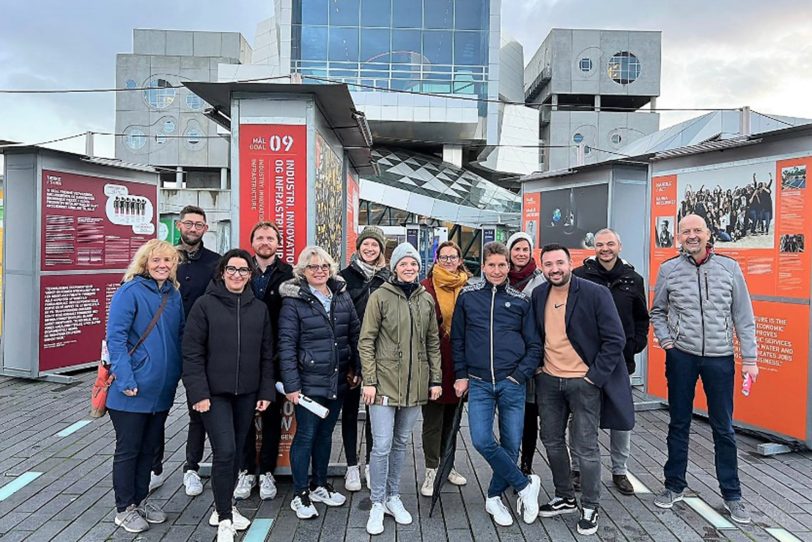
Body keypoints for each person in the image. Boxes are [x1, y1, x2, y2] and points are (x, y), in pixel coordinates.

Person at [650, 214, 759, 524]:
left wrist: (750, 359)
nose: (692, 235)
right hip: (681, 356)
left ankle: (732, 494)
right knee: (678, 422)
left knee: (723, 427)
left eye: (697, 230)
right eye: (686, 231)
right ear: (680, 236)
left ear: (709, 234)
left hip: (720, 358)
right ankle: (674, 486)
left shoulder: (729, 268)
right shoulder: (669, 269)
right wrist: (668, 341)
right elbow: (657, 311)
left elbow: (744, 317)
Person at [532, 243, 633, 536]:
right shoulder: (540, 294)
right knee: (551, 440)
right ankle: (565, 496)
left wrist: (593, 377)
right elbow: (536, 334)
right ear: (543, 267)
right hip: (549, 381)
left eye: (559, 263)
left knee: (585, 446)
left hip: (583, 382)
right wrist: (539, 367)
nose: (554, 269)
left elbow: (615, 339)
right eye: (548, 264)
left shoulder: (594, 293)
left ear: (570, 262)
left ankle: (590, 505)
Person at [182, 249, 275, 542]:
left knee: (235, 452)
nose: (237, 275)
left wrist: (265, 390)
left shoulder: (258, 309)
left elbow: (266, 355)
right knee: (224, 451)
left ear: (250, 275)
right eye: (232, 269)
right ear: (222, 272)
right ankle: (224, 518)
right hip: (213, 394)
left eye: (243, 270)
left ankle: (226, 506)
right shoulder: (204, 305)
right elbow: (192, 353)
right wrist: (198, 393)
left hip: (247, 394)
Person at [452, 241, 542, 528]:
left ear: (508, 266)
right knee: (480, 439)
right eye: (491, 265)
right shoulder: (467, 296)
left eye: (502, 265)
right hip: (478, 383)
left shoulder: (520, 300)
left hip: (512, 382)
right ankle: (525, 485)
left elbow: (534, 345)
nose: (497, 270)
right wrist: (461, 374)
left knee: (511, 444)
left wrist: (519, 375)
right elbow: (458, 339)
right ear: (483, 266)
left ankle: (493, 497)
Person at [359, 243, 442, 535]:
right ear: (394, 267)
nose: (409, 268)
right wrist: (369, 380)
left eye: (414, 264)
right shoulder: (380, 297)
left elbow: (432, 342)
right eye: (404, 263)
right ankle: (377, 501)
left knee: (401, 443)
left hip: (415, 384)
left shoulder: (426, 300)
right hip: (383, 383)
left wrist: (435, 379)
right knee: (381, 445)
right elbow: (366, 341)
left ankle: (393, 495)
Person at [106, 240, 184, 534]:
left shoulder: (174, 294)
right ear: (144, 262)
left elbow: (180, 334)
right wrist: (126, 379)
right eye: (156, 260)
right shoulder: (129, 291)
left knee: (150, 448)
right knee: (129, 449)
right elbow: (116, 338)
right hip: (132, 389)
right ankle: (124, 507)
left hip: (161, 390)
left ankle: (139, 500)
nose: (162, 265)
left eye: (168, 260)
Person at [278, 246, 361, 520]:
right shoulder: (294, 300)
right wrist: (291, 384)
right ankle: (300, 493)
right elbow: (287, 344)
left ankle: (319, 485)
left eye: (324, 266)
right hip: (308, 383)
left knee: (326, 435)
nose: (319, 271)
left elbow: (354, 334)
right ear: (303, 271)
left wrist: (357, 368)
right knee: (306, 436)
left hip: (337, 380)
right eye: (313, 267)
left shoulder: (341, 295)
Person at [571, 229, 649, 495]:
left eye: (611, 244)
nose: (605, 249)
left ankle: (620, 470)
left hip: (619, 361)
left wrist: (635, 344)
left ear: (619, 246)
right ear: (594, 246)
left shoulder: (633, 279)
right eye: (601, 244)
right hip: (586, 361)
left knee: (620, 418)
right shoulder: (580, 277)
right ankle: (577, 468)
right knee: (581, 417)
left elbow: (642, 318)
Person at [154, 205, 220, 498]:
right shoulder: (165, 261)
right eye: (189, 224)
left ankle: (191, 467)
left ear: (206, 229)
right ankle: (154, 468)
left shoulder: (216, 263)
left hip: (201, 349)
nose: (193, 229)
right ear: (179, 225)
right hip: (165, 347)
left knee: (198, 409)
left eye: (199, 225)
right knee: (157, 409)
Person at [234, 222, 294, 502]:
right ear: (252, 242)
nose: (265, 242)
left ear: (278, 243)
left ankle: (267, 471)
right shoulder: (238, 271)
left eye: (270, 238)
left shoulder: (289, 275)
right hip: (241, 356)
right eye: (260, 237)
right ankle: (246, 470)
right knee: (243, 416)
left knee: (271, 416)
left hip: (275, 357)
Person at [338, 226, 390, 492]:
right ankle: (350, 466)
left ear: (381, 249)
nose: (370, 249)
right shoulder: (343, 277)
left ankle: (371, 464)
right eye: (366, 244)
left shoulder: (387, 279)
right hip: (349, 354)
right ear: (358, 247)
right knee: (349, 411)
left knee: (375, 413)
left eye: (375, 245)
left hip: (378, 358)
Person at [419, 241, 470, 497]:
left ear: (460, 260)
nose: (449, 261)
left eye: (453, 256)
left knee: (453, 420)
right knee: (432, 420)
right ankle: (431, 469)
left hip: (459, 361)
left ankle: (447, 464)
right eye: (444, 257)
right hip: (433, 361)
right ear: (436, 260)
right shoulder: (425, 288)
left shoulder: (468, 288)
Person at [506, 231, 546, 476]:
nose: (521, 254)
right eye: (516, 249)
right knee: (510, 413)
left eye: (525, 249)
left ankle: (526, 463)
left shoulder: (541, 281)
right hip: (508, 357)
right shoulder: (501, 278)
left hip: (534, 356)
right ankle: (509, 460)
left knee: (530, 414)